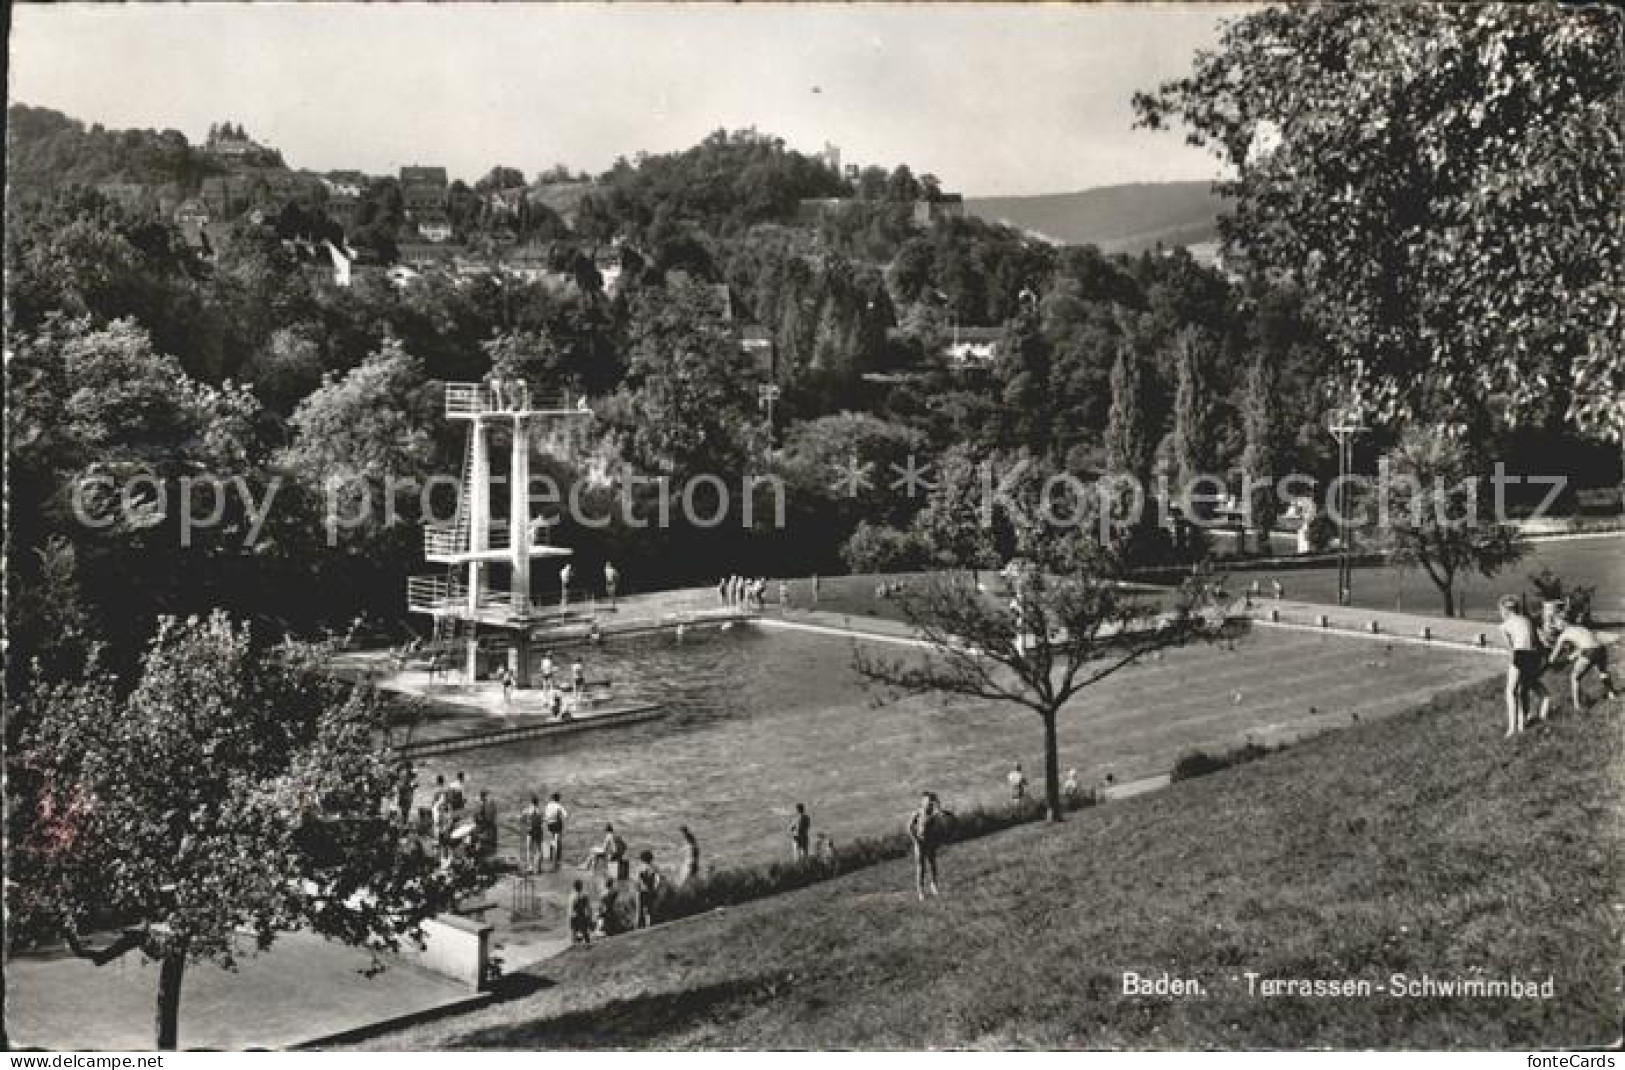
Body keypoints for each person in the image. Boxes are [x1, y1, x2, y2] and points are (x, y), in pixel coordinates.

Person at [1499, 595, 1550, 737]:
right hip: (1535, 655)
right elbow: (1540, 641)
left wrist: (1513, 667)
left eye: (1501, 611)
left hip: (1521, 653)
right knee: (1524, 689)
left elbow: (1512, 651)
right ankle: (1522, 725)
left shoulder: (1504, 626)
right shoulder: (1527, 620)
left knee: (1510, 691)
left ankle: (1511, 729)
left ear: (1505, 611)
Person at [1547, 616, 1620, 711]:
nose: (1556, 627)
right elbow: (1581, 648)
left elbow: (1554, 655)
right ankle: (1611, 693)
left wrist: (1549, 663)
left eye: (1556, 625)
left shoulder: (1564, 635)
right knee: (1602, 671)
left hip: (1589, 650)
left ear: (1561, 624)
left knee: (1574, 677)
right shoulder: (1580, 627)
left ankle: (1577, 707)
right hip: (1601, 647)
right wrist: (1568, 660)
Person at [907, 791, 948, 900]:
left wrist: (937, 802)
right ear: (922, 802)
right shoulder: (917, 813)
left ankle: (934, 885)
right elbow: (909, 827)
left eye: (930, 802)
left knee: (932, 864)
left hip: (930, 842)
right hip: (919, 843)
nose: (929, 804)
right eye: (926, 802)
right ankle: (920, 891)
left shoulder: (933, 813)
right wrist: (915, 839)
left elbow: (941, 812)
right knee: (921, 867)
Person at [634, 850, 663, 929]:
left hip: (641, 891)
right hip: (650, 891)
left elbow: (638, 880)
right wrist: (655, 888)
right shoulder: (654, 868)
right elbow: (659, 879)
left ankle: (638, 928)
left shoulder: (640, 868)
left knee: (639, 911)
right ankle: (649, 926)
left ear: (642, 859)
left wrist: (641, 886)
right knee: (649, 911)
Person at [543, 792, 569, 870]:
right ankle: (557, 859)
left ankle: (551, 855)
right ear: (558, 799)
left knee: (552, 839)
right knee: (557, 841)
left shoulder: (548, 805)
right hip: (557, 825)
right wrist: (559, 816)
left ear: (552, 798)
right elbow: (565, 815)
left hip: (549, 824)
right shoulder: (558, 806)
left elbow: (546, 815)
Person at [522, 794, 545, 874]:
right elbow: (542, 821)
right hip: (538, 831)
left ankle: (530, 867)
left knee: (529, 850)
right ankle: (538, 868)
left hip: (530, 831)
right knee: (539, 850)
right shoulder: (540, 811)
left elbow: (523, 819)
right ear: (537, 802)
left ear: (531, 802)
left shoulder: (527, 810)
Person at [568, 880, 593, 945]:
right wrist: (590, 917)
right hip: (581, 915)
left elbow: (571, 909)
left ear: (574, 887)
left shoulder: (572, 896)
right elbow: (588, 907)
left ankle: (574, 944)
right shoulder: (584, 896)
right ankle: (587, 943)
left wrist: (571, 916)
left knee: (574, 931)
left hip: (574, 916)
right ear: (581, 887)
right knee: (584, 931)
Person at [474, 790, 498, 857]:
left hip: (485, 827)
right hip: (490, 827)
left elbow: (479, 817)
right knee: (491, 845)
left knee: (484, 844)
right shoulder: (491, 803)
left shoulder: (484, 804)